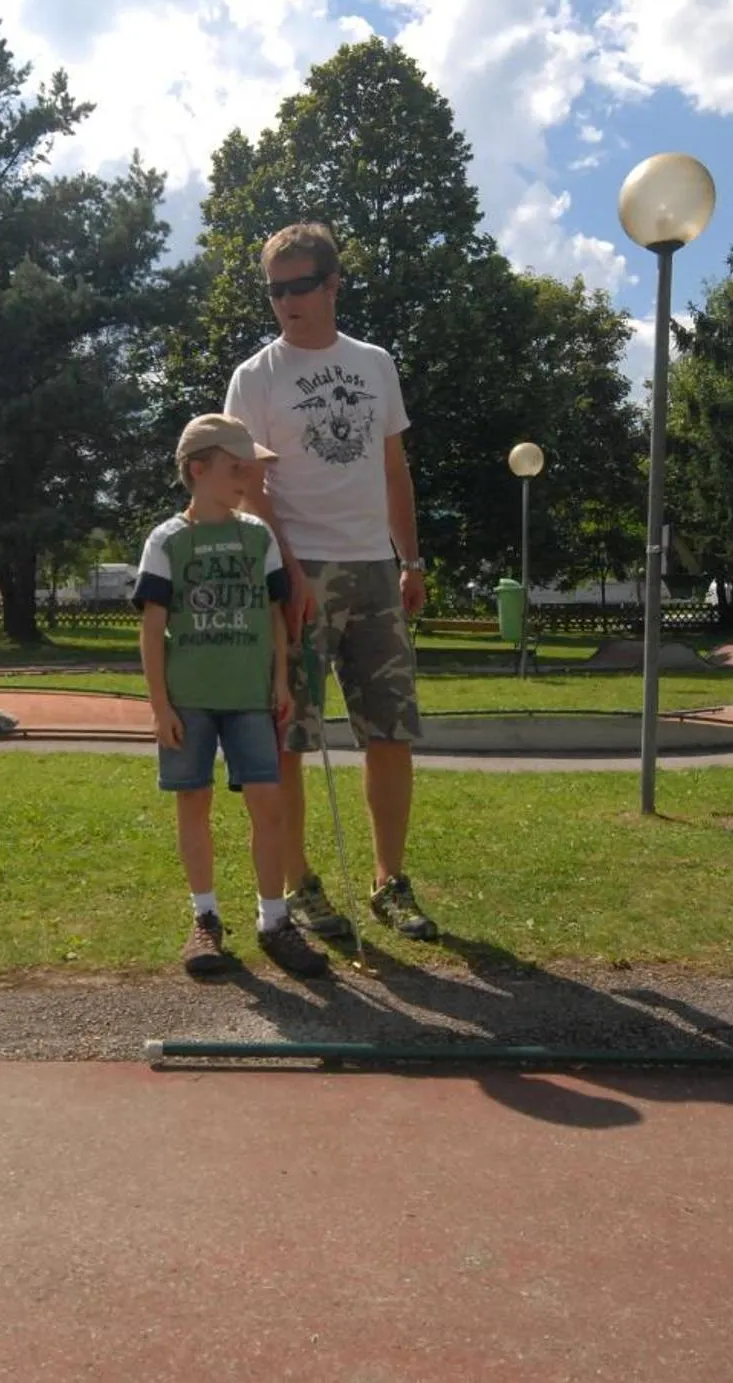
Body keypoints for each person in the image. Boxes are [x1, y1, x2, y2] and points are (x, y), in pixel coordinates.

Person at [223, 222, 438, 943]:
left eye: (301, 286)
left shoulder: (375, 364)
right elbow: (248, 488)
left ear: (333, 284)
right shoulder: (256, 376)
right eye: (275, 289)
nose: (287, 301)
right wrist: (286, 571)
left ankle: (390, 882)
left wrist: (410, 560)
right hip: (299, 573)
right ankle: (300, 882)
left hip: (375, 570)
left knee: (391, 732)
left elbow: (395, 470)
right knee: (290, 738)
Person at [134, 415, 330, 980]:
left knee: (268, 805)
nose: (247, 476)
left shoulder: (258, 536)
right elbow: (151, 628)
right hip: (188, 700)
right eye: (235, 466)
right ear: (198, 469)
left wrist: (279, 681)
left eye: (249, 467)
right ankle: (205, 920)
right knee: (193, 803)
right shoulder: (167, 540)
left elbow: (274, 614)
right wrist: (160, 706)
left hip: (250, 698)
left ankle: (275, 921)